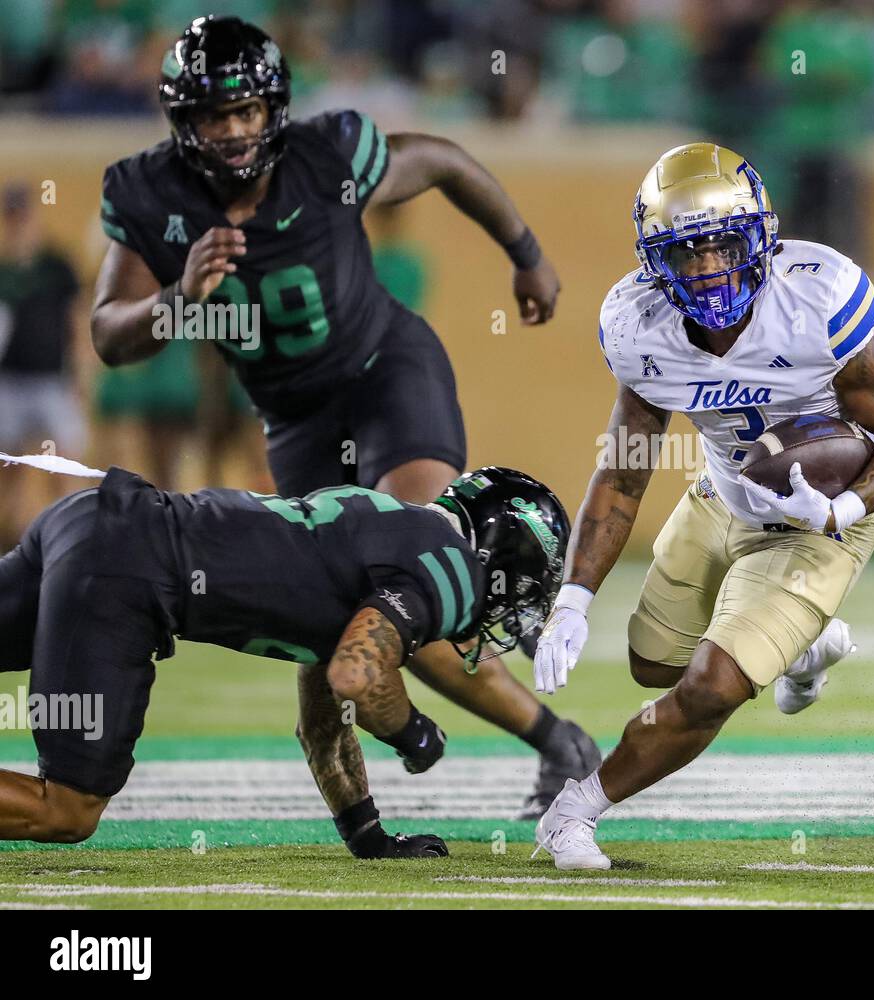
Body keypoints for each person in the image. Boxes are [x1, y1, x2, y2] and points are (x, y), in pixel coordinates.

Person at [88, 15, 597, 820]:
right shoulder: (150, 193)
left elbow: (441, 158)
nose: (232, 130)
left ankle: (546, 718)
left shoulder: (326, 157)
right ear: (183, 122)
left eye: (247, 111)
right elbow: (109, 336)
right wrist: (176, 301)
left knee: (407, 574)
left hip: (385, 373)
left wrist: (525, 251)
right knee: (331, 615)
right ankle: (544, 745)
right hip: (293, 418)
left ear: (274, 110)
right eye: (215, 115)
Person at [529, 142, 874, 870]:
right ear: (657, 261)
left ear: (762, 238)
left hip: (819, 519)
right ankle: (803, 647)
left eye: (724, 245)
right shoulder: (637, 324)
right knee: (654, 667)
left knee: (712, 687)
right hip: (720, 493)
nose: (711, 269)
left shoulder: (822, 298)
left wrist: (840, 513)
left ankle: (575, 811)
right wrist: (574, 598)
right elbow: (623, 474)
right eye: (688, 254)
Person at [0, 460, 568, 857]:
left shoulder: (393, 530)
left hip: (91, 521)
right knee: (66, 810)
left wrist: (365, 832)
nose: (518, 604)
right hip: (126, 573)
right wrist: (414, 733)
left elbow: (324, 723)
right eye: (526, 586)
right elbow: (358, 674)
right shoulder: (451, 567)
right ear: (503, 557)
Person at [0, 183, 85, 549]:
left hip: (52, 382)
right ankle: (12, 545)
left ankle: (72, 540)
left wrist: (82, 375)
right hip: (10, 384)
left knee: (63, 466)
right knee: (9, 472)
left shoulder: (56, 267)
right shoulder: (3, 272)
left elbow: (76, 322)